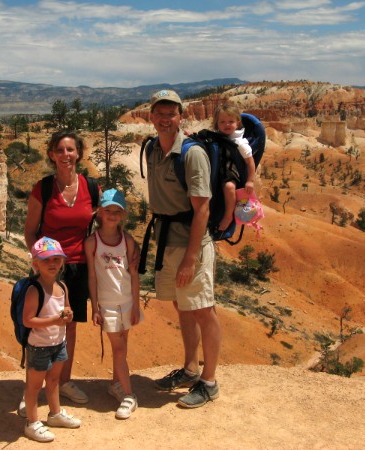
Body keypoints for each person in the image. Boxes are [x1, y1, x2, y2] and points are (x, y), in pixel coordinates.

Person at [145, 89, 221, 408]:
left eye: (170, 114)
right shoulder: (151, 149)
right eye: (159, 114)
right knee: (183, 307)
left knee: (203, 309)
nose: (165, 119)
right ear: (151, 117)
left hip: (192, 245)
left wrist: (191, 258)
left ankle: (210, 381)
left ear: (180, 116)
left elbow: (202, 209)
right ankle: (190, 369)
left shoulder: (192, 154)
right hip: (167, 242)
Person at [23, 131, 96, 406]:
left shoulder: (91, 187)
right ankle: (33, 387)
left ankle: (63, 382)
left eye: (70, 150)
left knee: (70, 326)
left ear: (78, 153)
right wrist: (41, 263)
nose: (66, 155)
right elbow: (30, 231)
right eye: (60, 150)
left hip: (77, 265)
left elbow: (103, 224)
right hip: (50, 267)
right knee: (40, 328)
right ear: (52, 155)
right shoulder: (42, 189)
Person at [84, 188, 141, 419]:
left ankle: (116, 384)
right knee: (118, 349)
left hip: (126, 302)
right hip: (107, 304)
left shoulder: (127, 241)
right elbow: (92, 276)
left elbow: (134, 275)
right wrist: (95, 307)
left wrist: (136, 306)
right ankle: (129, 395)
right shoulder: (92, 243)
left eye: (117, 212)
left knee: (123, 346)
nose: (113, 215)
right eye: (109, 211)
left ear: (123, 215)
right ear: (100, 212)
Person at [22, 237, 81, 442]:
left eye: (56, 259)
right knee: (34, 386)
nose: (52, 263)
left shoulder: (62, 287)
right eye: (46, 259)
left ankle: (54, 414)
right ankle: (32, 422)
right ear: (35, 263)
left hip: (58, 343)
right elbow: (28, 320)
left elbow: (66, 309)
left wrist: (68, 314)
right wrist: (55, 320)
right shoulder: (34, 289)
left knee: (54, 380)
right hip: (39, 346)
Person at [213, 103, 256, 232]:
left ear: (237, 123)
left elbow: (250, 162)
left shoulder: (240, 143)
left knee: (229, 187)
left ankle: (228, 216)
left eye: (231, 121)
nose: (227, 125)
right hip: (218, 170)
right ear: (217, 124)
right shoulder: (216, 137)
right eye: (222, 122)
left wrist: (250, 180)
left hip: (231, 172)